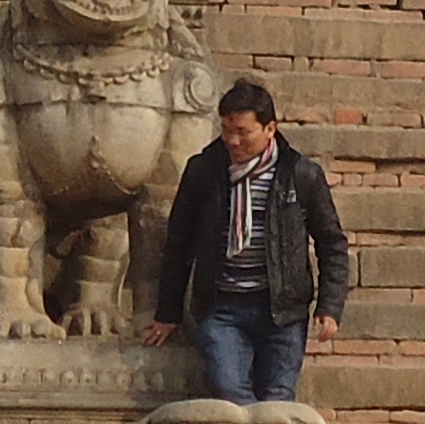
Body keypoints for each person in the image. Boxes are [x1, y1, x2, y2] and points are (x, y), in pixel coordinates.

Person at [145, 78, 349, 403]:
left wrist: (330, 306)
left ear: (270, 129)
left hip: (281, 310)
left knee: (279, 398)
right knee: (228, 388)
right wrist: (168, 311)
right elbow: (179, 242)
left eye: (243, 131)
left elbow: (331, 243)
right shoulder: (203, 171)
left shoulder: (300, 174)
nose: (233, 141)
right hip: (222, 306)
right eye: (227, 130)